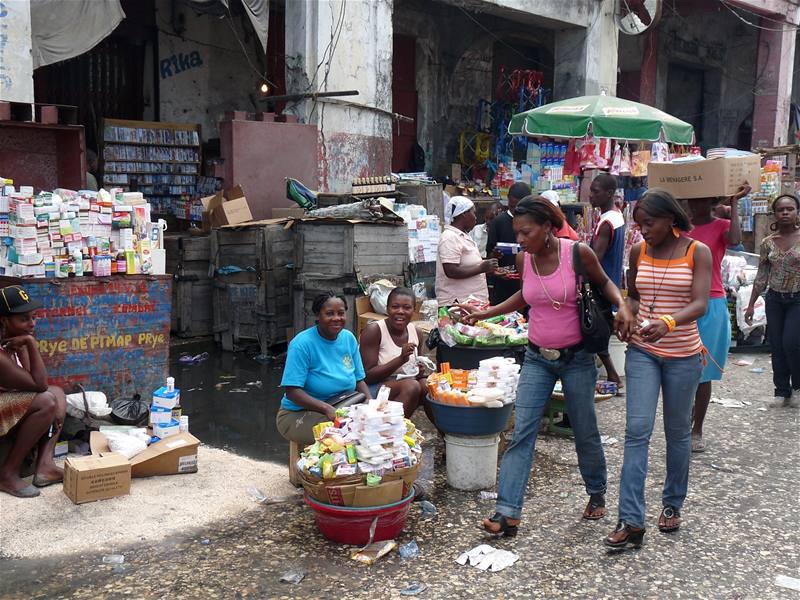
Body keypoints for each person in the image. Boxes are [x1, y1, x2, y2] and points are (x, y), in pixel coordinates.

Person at [463, 196, 635, 537]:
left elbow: (605, 283)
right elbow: (526, 296)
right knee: (522, 432)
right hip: (538, 357)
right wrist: (485, 313)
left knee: (584, 431)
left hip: (577, 359)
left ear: (547, 227)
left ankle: (596, 491)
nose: (521, 240)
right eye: (517, 232)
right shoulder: (523, 259)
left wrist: (624, 307)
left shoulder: (577, 253)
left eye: (526, 232)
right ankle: (507, 512)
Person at [605, 189, 712, 549]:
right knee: (637, 431)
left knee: (677, 432)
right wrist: (625, 310)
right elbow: (633, 294)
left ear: (671, 219)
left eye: (649, 224)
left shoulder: (697, 252)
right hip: (642, 351)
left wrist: (668, 322)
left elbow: (699, 304)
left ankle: (672, 504)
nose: (643, 231)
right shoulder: (639, 251)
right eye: (639, 225)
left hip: (683, 355)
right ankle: (631, 519)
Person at [686, 183, 750, 452]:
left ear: (711, 201)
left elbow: (735, 240)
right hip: (680, 303)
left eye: (702, 200)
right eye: (692, 201)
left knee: (703, 370)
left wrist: (734, 204)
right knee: (680, 369)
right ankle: (681, 423)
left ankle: (696, 429)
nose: (695, 205)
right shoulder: (680, 227)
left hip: (711, 302)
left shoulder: (721, 225)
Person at [276, 292, 371, 445]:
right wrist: (326, 408)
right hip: (297, 414)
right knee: (345, 436)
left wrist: (371, 404)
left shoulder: (348, 338)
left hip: (340, 406)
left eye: (341, 313)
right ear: (317, 316)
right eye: (329, 314)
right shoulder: (301, 344)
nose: (336, 318)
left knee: (371, 427)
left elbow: (359, 380)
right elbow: (292, 392)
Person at [0, 285, 67, 498]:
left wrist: (25, 346)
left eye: (33, 317)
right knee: (47, 401)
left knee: (57, 394)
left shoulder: (13, 342)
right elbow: (38, 386)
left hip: (7, 405)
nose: (32, 324)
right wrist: (30, 343)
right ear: (4, 321)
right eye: (24, 319)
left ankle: (45, 466)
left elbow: (35, 380)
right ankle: (7, 474)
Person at [745, 194, 800, 408]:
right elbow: (761, 276)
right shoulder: (768, 243)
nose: (785, 213)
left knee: (792, 342)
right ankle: (781, 391)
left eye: (790, 209)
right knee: (776, 345)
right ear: (774, 214)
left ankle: (797, 387)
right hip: (775, 299)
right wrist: (750, 305)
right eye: (781, 209)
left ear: (797, 212)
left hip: (798, 299)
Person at [360, 287, 427, 418]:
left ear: (414, 311)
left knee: (427, 386)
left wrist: (420, 370)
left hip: (405, 382)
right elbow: (367, 376)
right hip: (375, 388)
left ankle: (446, 435)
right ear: (387, 309)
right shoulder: (374, 330)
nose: (400, 312)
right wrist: (401, 359)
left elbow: (417, 369)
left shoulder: (416, 332)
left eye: (407, 308)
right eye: (395, 307)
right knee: (412, 386)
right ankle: (390, 431)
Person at [588, 174, 625, 390]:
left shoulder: (606, 223)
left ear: (609, 194)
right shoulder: (616, 216)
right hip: (609, 280)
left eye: (596, 192)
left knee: (595, 329)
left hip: (601, 284)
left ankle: (612, 375)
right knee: (598, 329)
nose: (591, 196)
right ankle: (611, 374)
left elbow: (594, 258)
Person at [436, 196, 499, 307]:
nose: (475, 218)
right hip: (458, 303)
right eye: (473, 213)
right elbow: (451, 271)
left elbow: (469, 264)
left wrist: (489, 262)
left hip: (472, 302)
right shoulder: (449, 237)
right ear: (463, 214)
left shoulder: (464, 235)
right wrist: (482, 268)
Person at [487, 183, 531, 304]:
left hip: (529, 283)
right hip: (504, 286)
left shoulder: (534, 222)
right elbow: (489, 257)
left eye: (519, 207)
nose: (515, 211)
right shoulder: (498, 222)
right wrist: (495, 255)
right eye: (512, 207)